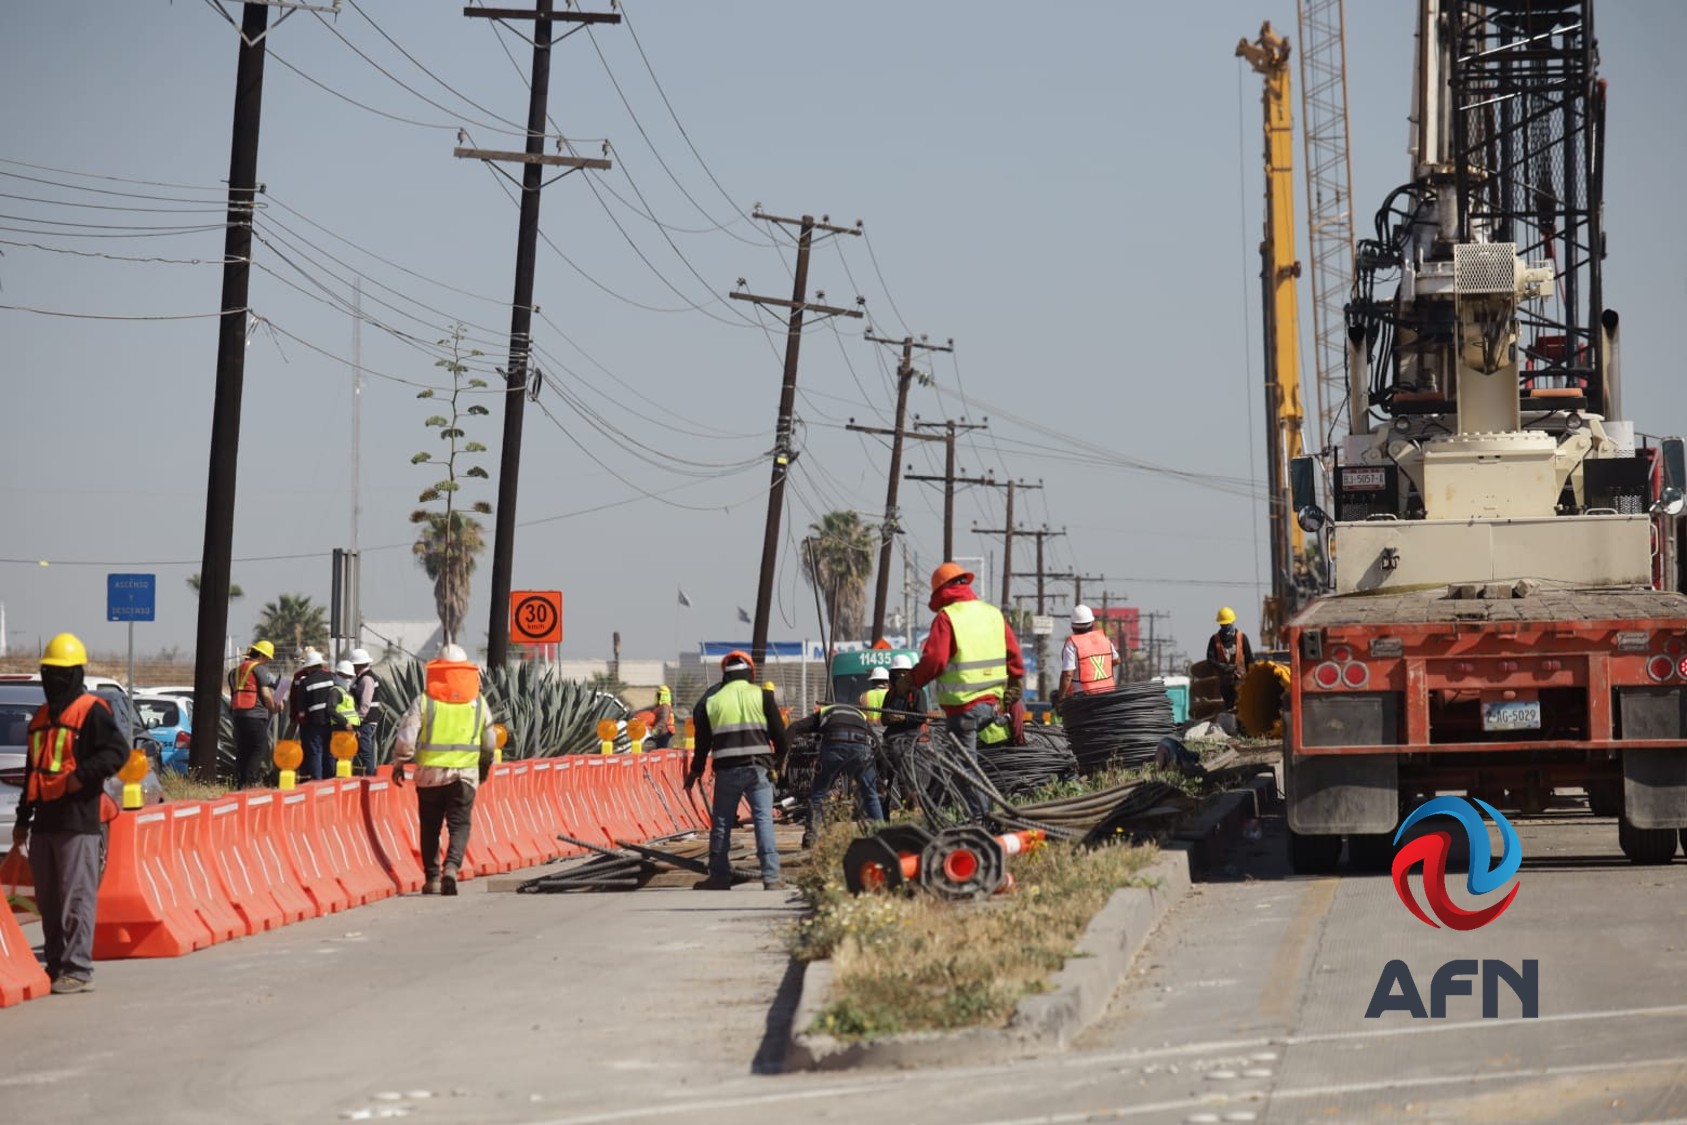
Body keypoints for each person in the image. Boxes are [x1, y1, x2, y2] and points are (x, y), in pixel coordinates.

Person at [12, 633, 127, 994]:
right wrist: (22, 820)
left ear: (76, 674)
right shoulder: (41, 718)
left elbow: (116, 753)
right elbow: (34, 771)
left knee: (76, 897)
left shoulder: (91, 710)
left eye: (61, 673)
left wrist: (81, 778)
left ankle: (78, 968)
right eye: (49, 672)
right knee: (49, 900)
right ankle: (58, 964)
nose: (54, 680)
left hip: (78, 822)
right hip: (44, 822)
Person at [910, 562, 1026, 819]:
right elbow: (1015, 657)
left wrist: (911, 682)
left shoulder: (947, 617)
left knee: (964, 770)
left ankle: (982, 823)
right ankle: (979, 817)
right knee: (966, 767)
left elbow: (935, 661)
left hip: (964, 709)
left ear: (940, 591)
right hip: (993, 707)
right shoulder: (992, 614)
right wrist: (1015, 688)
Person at [391, 643, 497, 896]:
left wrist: (399, 762)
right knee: (459, 825)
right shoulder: (478, 703)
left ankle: (432, 878)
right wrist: (484, 765)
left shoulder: (425, 702)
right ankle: (452, 867)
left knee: (431, 827)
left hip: (430, 777)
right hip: (465, 776)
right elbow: (490, 741)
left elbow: (406, 738)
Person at [685, 650, 788, 891]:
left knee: (721, 822)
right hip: (758, 769)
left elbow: (702, 744)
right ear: (751, 672)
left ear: (725, 675)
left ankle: (719, 877)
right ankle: (772, 878)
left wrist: (695, 771)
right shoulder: (763, 696)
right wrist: (778, 760)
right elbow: (781, 736)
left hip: (727, 772)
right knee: (763, 820)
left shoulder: (713, 701)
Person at [789, 700, 883, 848]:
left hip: (834, 745)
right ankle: (881, 838)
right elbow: (875, 742)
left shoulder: (824, 713)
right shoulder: (860, 715)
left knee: (818, 794)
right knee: (870, 794)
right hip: (861, 747)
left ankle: (811, 837)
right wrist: (879, 775)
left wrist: (782, 754)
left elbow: (795, 727)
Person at [227, 639, 282, 788]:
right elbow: (266, 694)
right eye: (267, 659)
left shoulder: (234, 672)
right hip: (254, 715)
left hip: (238, 715)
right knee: (259, 747)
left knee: (243, 748)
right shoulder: (259, 669)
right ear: (263, 656)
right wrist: (273, 707)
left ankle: (240, 783)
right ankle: (251, 782)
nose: (267, 662)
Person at [1056, 604, 1120, 706]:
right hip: (1107, 695)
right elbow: (1117, 660)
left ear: (1073, 625)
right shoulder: (1104, 639)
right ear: (1092, 623)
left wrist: (1060, 699)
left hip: (1083, 698)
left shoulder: (1072, 644)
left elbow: (1067, 675)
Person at [290, 651, 337, 781]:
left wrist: (300, 721)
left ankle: (317, 780)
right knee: (330, 751)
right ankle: (331, 778)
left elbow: (301, 708)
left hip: (313, 723)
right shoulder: (332, 677)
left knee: (315, 752)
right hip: (331, 721)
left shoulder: (306, 682)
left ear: (309, 667)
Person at [1207, 607, 1254, 710]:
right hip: (1225, 682)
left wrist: (1252, 679)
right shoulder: (1215, 640)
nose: (1224, 627)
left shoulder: (1242, 638)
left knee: (1240, 705)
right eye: (1222, 625)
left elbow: (1250, 660)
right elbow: (1210, 660)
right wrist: (1222, 667)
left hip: (1240, 680)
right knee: (1229, 706)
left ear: (1232, 622)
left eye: (1227, 625)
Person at [347, 648, 381, 776]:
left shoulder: (366, 679)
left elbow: (365, 704)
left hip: (365, 722)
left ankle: (370, 776)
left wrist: (357, 721)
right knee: (363, 749)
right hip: (365, 721)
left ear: (359, 665)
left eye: (354, 665)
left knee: (365, 750)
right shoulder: (363, 678)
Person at [881, 654, 925, 737]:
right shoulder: (890, 694)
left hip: (909, 738)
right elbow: (883, 718)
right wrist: (888, 718)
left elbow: (922, 717)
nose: (901, 675)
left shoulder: (917, 691)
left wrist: (903, 717)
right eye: (898, 672)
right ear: (892, 674)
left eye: (904, 672)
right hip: (891, 738)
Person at [650, 685, 675, 750]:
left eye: (659, 695)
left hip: (664, 733)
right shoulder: (660, 706)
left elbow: (663, 720)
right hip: (661, 733)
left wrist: (656, 729)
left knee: (662, 752)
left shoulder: (664, 707)